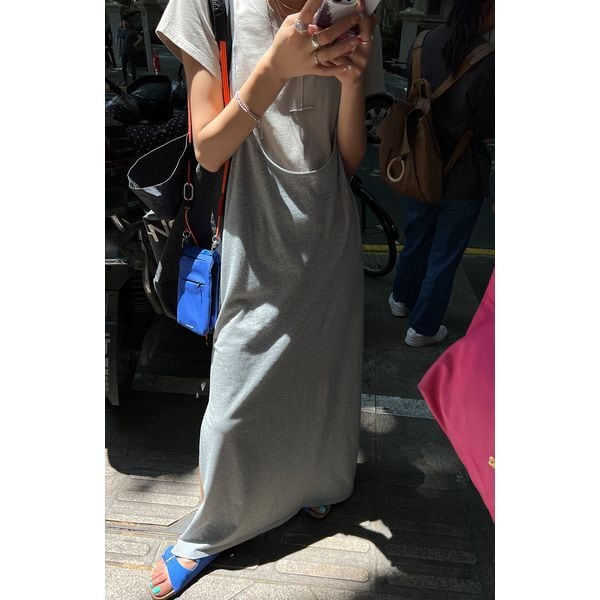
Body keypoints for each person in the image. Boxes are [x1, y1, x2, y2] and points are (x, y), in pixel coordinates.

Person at [148, 1, 379, 598]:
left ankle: (315, 480)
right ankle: (212, 530)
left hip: (327, 234)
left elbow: (348, 160)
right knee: (233, 399)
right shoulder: (209, 6)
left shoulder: (348, 6)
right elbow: (207, 149)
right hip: (252, 231)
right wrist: (275, 68)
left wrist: (354, 82)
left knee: (323, 376)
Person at [388, 0, 494, 347]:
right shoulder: (488, 59)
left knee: (417, 238)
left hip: (419, 164)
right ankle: (423, 327)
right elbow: (487, 128)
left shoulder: (421, 43)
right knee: (444, 256)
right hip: (463, 174)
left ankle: (401, 299)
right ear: (484, 8)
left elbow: (413, 97)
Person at [117, 16, 143, 85]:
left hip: (131, 51)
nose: (124, 23)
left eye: (125, 22)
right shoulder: (120, 30)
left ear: (128, 23)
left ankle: (134, 80)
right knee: (123, 67)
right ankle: (125, 81)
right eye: (123, 22)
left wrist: (135, 44)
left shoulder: (132, 31)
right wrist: (119, 52)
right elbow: (119, 40)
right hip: (123, 51)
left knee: (132, 67)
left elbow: (140, 37)